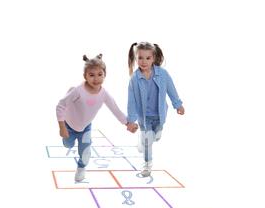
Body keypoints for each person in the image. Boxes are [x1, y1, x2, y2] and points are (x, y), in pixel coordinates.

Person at [56, 54, 138, 182]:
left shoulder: (104, 94)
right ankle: (68, 140)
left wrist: (128, 123)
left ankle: (81, 169)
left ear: (105, 75)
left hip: (85, 127)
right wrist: (62, 127)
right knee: (68, 145)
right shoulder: (78, 91)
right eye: (91, 75)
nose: (96, 79)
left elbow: (115, 109)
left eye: (100, 74)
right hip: (69, 126)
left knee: (86, 151)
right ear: (85, 76)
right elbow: (60, 106)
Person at [126, 42, 185, 177]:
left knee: (156, 136)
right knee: (148, 140)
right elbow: (131, 100)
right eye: (140, 58)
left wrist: (178, 104)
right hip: (144, 118)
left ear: (153, 58)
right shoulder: (135, 79)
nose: (144, 61)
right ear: (136, 59)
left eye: (148, 58)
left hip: (159, 115)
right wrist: (131, 120)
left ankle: (147, 139)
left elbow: (171, 89)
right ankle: (147, 164)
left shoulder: (162, 74)